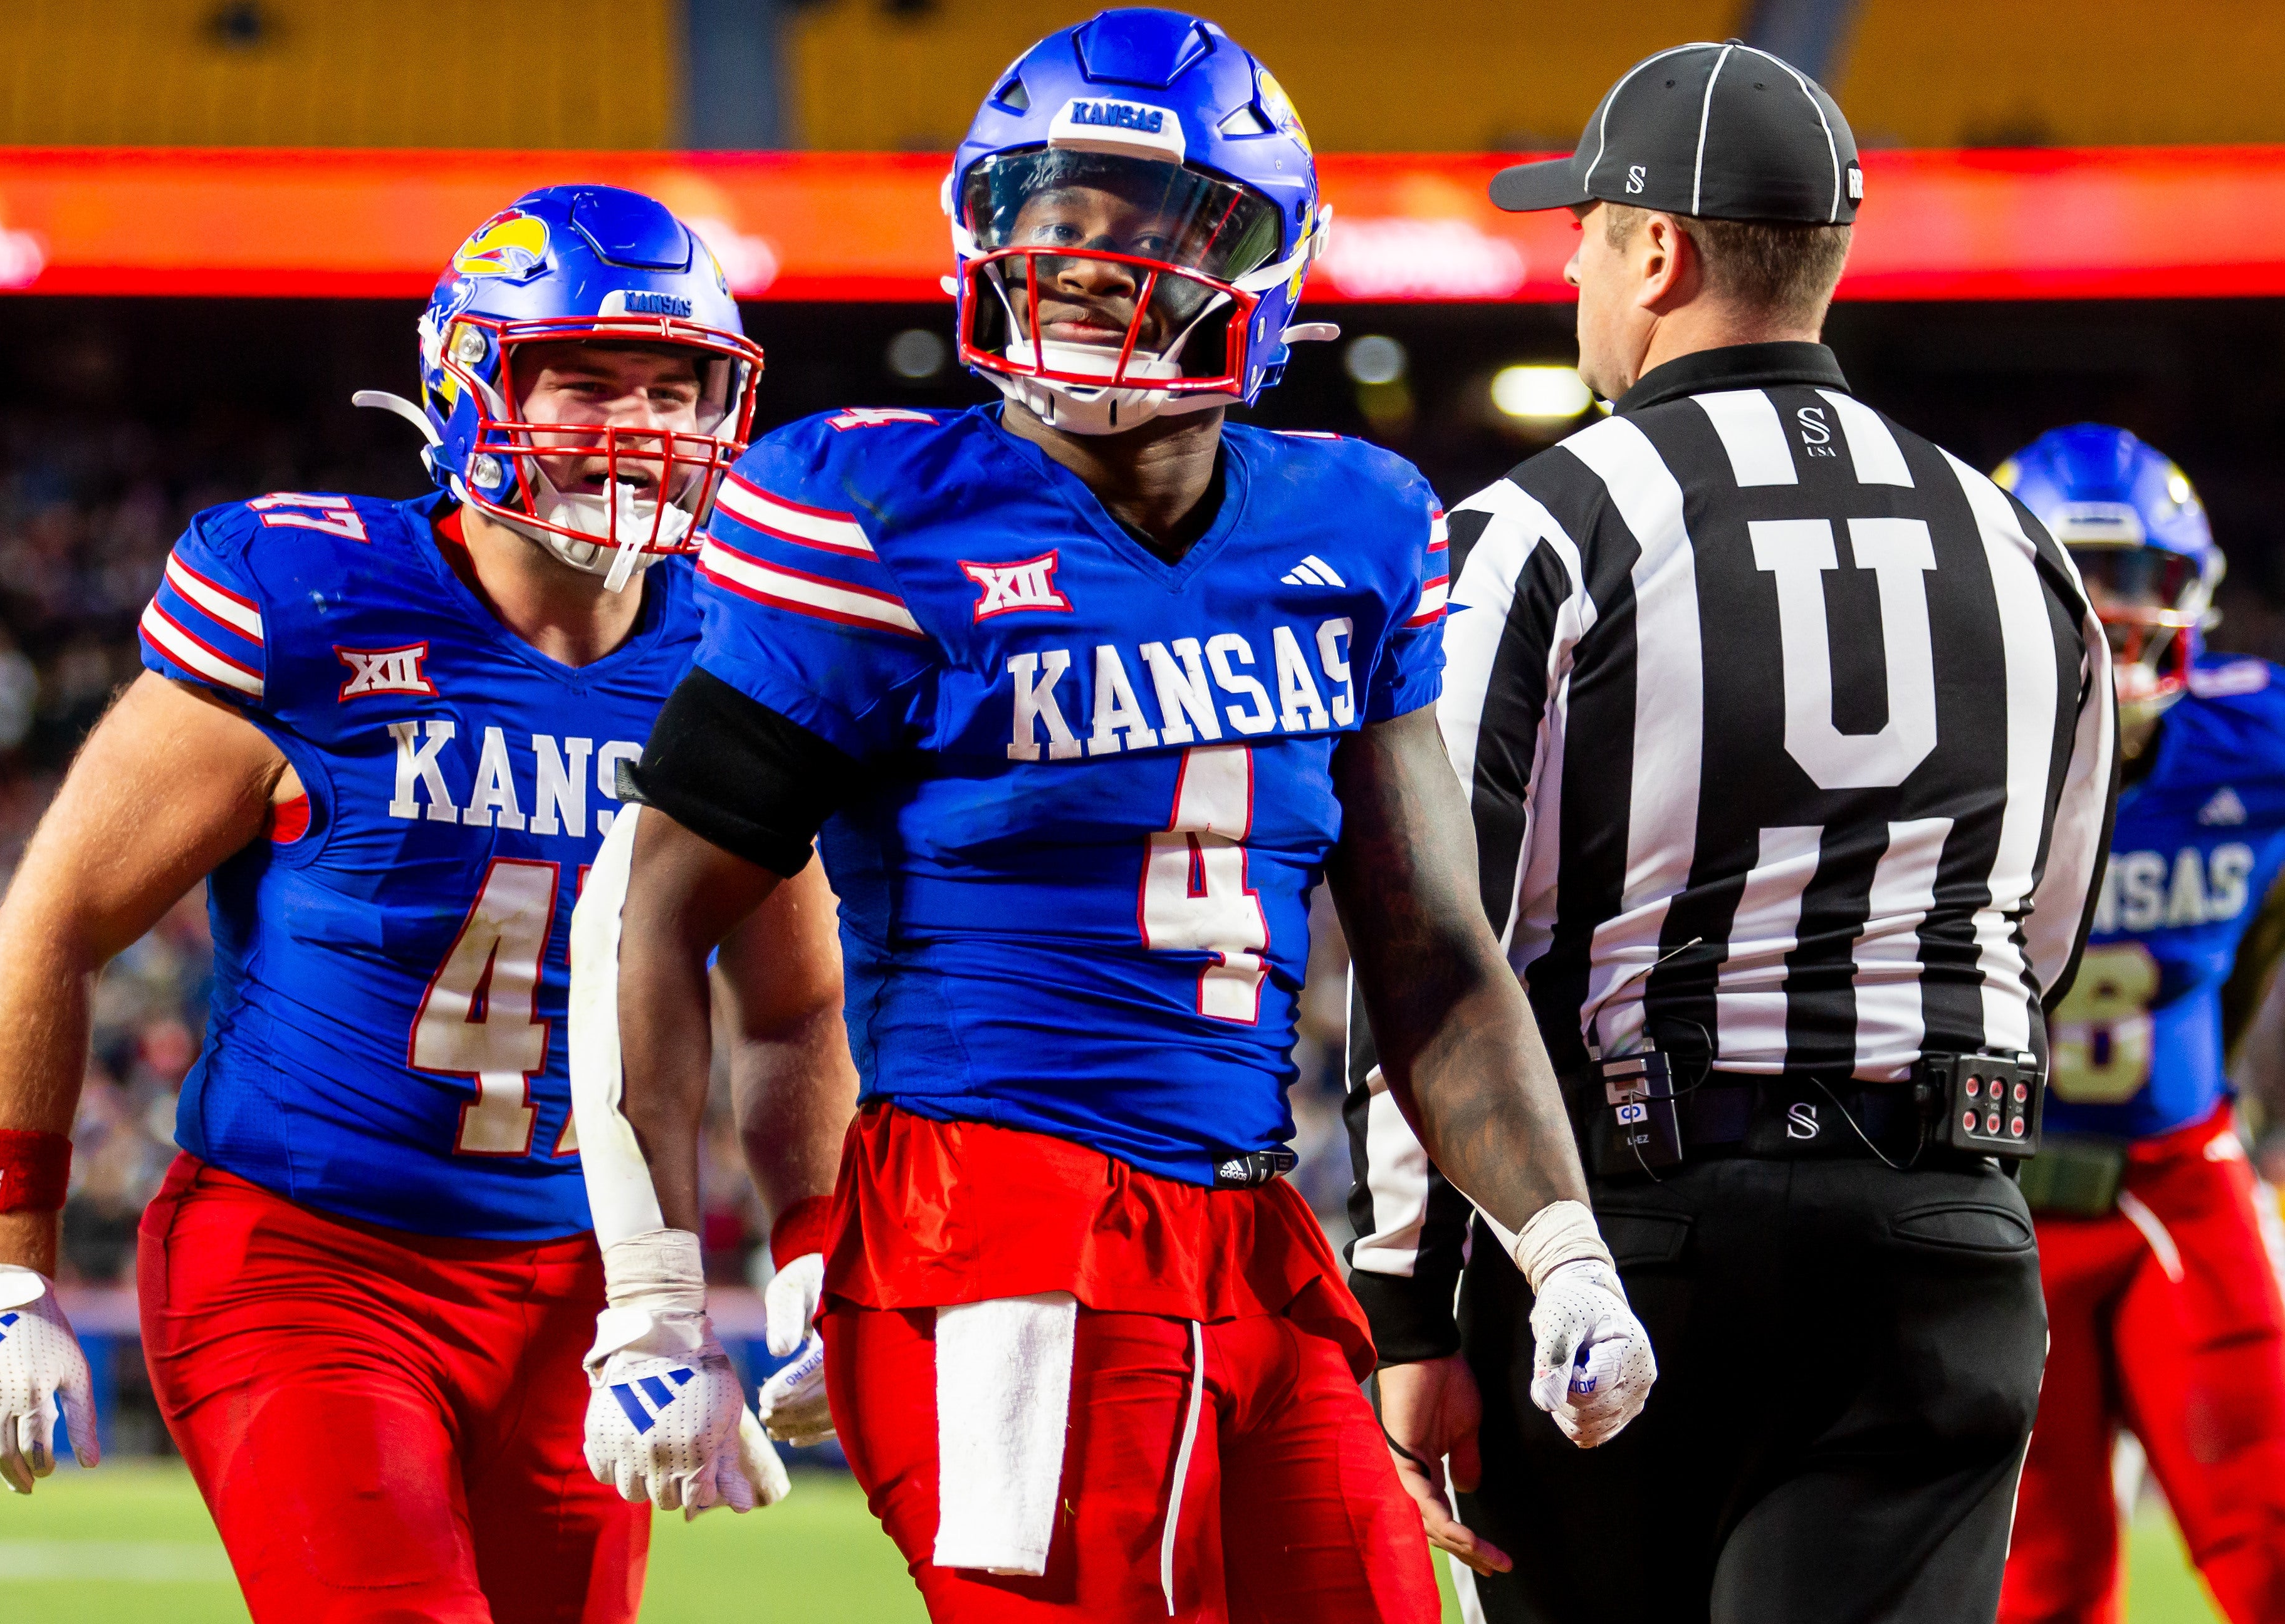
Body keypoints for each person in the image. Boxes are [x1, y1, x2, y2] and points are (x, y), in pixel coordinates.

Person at [565, 9, 1655, 1621]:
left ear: (1268, 253)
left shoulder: (1352, 522)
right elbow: (648, 917)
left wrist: (1562, 1242)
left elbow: (1432, 953)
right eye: (1050, 209)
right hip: (993, 1219)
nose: (1082, 256)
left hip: (1252, 1221)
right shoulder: (878, 510)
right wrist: (654, 1302)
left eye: (1149, 220)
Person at [0, 185, 854, 1623]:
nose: (638, 424)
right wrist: (4, 1274)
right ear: (474, 380)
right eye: (589, 379)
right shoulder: (310, 596)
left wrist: (810, 1253)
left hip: (581, 1297)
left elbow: (791, 1005)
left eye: (676, 386)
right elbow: (53, 926)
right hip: (305, 1258)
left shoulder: (739, 652)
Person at [1347, 41, 2118, 1624]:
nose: (1566, 259)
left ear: (1658, 250)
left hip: (1643, 1230)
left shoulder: (1537, 526)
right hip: (1944, 1229)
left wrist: (1412, 1307)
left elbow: (1437, 949)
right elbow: (2043, 931)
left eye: (1584, 225)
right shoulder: (2017, 538)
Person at [1992, 425, 2285, 1624]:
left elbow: (2260, 937)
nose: (2112, 610)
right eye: (2080, 574)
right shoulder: (1944, 755)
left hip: (2179, 1175)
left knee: (2268, 1540)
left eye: (2139, 577)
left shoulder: (2257, 741)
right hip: (1997, 1199)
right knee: (2037, 1583)